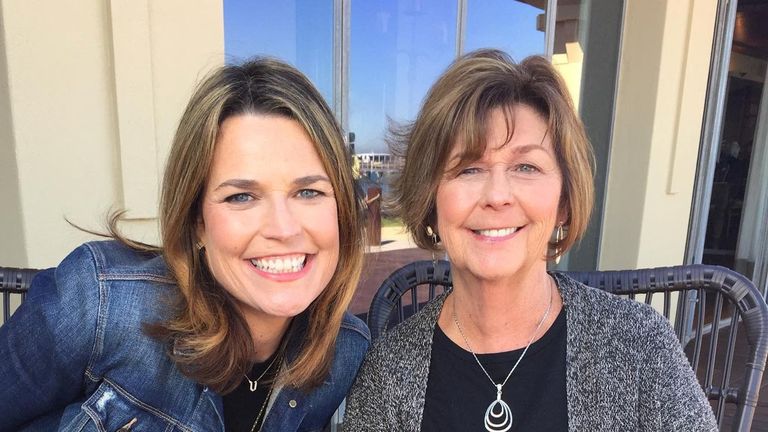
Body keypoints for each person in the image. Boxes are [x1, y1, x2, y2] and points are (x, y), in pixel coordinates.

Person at [343, 49, 717, 431]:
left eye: (526, 167)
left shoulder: (638, 346)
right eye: (469, 168)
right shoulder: (388, 372)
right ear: (431, 200)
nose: (497, 195)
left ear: (564, 202)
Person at [0, 57, 370, 431]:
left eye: (309, 191)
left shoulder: (343, 350)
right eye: (241, 196)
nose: (284, 228)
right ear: (197, 224)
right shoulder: (98, 303)